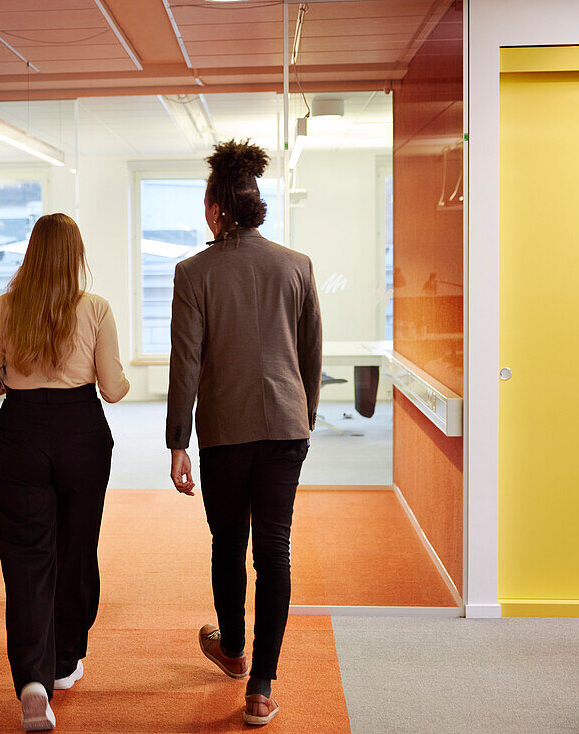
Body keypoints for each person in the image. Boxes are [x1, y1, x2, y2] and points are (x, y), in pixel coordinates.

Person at [166, 140, 322, 727]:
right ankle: (261, 687)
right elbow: (311, 355)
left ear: (215, 210)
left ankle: (233, 649)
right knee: (274, 549)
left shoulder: (192, 273)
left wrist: (177, 441)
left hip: (224, 432)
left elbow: (185, 363)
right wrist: (301, 417)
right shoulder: (297, 265)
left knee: (228, 541)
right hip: (286, 426)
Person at [0, 213, 129, 732]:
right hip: (81, 431)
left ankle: (32, 682)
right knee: (77, 545)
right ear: (76, 256)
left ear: (31, 254)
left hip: (21, 433)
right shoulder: (96, 309)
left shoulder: (4, 308)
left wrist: (7, 378)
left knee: (26, 554)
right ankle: (65, 661)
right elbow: (114, 389)